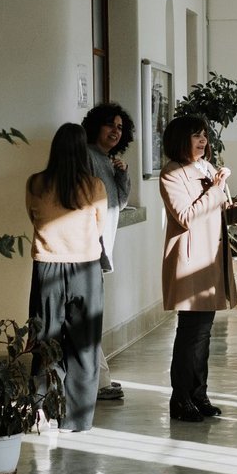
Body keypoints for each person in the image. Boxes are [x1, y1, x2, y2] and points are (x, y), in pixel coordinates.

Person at [159, 115, 237, 422]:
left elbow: (223, 214)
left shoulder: (207, 168)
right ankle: (180, 399)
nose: (203, 140)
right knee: (190, 334)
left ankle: (199, 395)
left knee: (203, 335)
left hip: (211, 258)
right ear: (180, 139)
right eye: (196, 135)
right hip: (190, 260)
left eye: (204, 135)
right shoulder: (171, 173)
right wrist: (216, 188)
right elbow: (186, 215)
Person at [24, 124, 109, 433]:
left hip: (47, 267)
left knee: (45, 341)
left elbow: (33, 218)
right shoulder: (94, 185)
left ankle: (41, 412)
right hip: (85, 269)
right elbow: (99, 227)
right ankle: (77, 419)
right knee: (84, 345)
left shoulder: (35, 183)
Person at [82, 102, 134, 401]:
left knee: (90, 319)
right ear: (95, 126)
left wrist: (122, 174)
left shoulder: (107, 160)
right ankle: (98, 381)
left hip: (99, 250)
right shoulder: (88, 157)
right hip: (87, 250)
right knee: (88, 319)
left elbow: (119, 203)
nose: (115, 131)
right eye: (110, 125)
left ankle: (99, 380)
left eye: (120, 127)